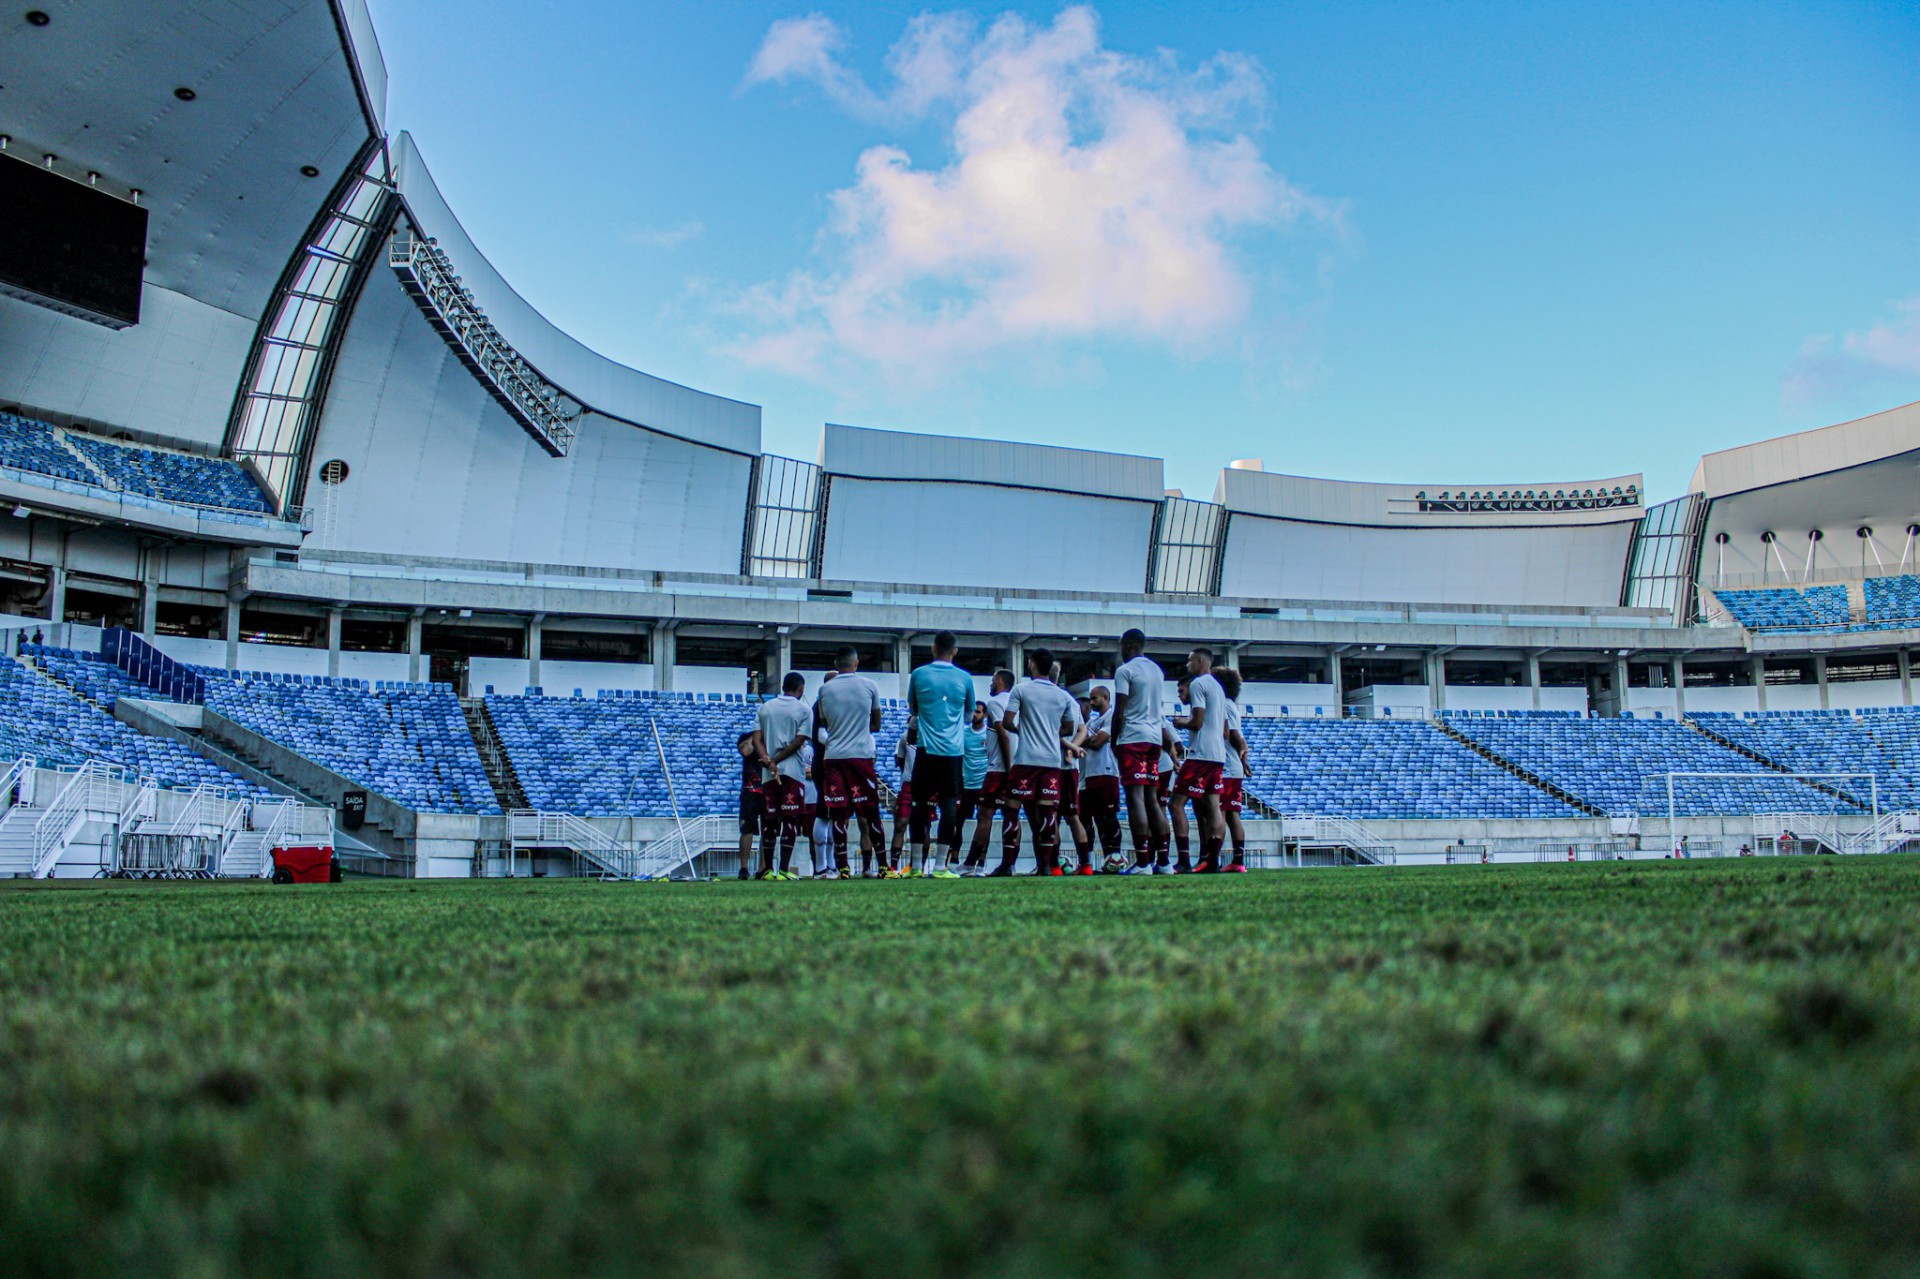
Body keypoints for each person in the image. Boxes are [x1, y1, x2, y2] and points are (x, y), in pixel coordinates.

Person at [995, 649, 1083, 876]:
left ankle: (1007, 864)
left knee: (1012, 809)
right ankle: (1046, 864)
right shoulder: (1062, 696)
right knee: (1047, 813)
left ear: (1032, 664)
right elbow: (1069, 728)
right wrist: (1051, 733)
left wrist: (1022, 730)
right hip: (1052, 762)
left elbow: (1006, 722)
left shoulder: (1021, 690)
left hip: (1026, 759)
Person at [906, 631, 973, 878]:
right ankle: (940, 867)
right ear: (954, 651)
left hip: (926, 749)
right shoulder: (965, 678)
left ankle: (914, 867)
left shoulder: (918, 674)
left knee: (918, 806)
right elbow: (968, 715)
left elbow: (913, 709)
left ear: (933, 648)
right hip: (953, 751)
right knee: (949, 807)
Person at [814, 647, 884, 881]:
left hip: (833, 757)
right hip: (859, 756)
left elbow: (824, 722)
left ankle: (842, 868)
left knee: (838, 814)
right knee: (871, 812)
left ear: (836, 662)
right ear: (856, 663)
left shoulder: (824, 689)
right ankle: (884, 867)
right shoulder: (869, 685)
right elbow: (876, 725)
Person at [1109, 628, 1171, 873]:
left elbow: (1120, 710)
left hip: (1132, 738)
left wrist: (1114, 741)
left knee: (1135, 799)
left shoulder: (1125, 671)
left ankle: (1143, 861)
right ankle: (1164, 862)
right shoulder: (1157, 670)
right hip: (1154, 739)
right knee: (1152, 800)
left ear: (1127, 646)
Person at [1173, 648, 1230, 874]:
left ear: (1199, 661)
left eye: (1189, 661)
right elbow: (1225, 730)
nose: (1187, 666)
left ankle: (1184, 860)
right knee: (1213, 807)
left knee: (1175, 804)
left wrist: (1181, 722)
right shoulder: (1218, 687)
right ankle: (1212, 859)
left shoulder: (1198, 684)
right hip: (1218, 755)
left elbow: (1196, 722)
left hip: (1201, 753)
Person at [751, 672, 812, 879]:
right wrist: (776, 761)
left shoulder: (765, 708)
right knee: (789, 820)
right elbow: (799, 741)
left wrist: (768, 760)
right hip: (792, 771)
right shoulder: (804, 710)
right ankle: (784, 870)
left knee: (769, 821)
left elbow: (756, 740)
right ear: (800, 689)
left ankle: (768, 870)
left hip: (769, 773)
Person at [973, 669, 1020, 873]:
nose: (990, 684)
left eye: (992, 681)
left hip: (999, 768)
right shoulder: (1018, 701)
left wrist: (1008, 768)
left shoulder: (995, 703)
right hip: (1020, 764)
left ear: (999, 681)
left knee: (985, 815)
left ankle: (970, 862)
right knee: (1012, 815)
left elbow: (1003, 734)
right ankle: (1009, 864)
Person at [1079, 686, 1125, 869]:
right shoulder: (1092, 723)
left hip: (1107, 772)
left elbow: (1097, 742)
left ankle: (1113, 856)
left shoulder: (1112, 717)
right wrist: (1090, 739)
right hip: (1089, 774)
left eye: (1094, 698)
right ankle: (1088, 862)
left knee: (1108, 817)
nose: (1091, 702)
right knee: (1090, 819)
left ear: (1106, 697)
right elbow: (1084, 741)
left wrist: (1089, 740)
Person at [1214, 667, 1252, 873]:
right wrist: (1244, 757)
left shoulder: (1225, 706)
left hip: (1227, 766)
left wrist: (1242, 751)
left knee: (1219, 812)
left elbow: (1233, 734)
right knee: (1232, 815)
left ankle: (1213, 858)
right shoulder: (1232, 706)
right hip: (1234, 766)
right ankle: (1238, 860)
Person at [949, 700, 992, 875]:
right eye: (973, 711)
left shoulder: (989, 735)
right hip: (965, 785)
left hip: (983, 784)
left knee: (984, 822)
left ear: (985, 715)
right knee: (957, 822)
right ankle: (954, 861)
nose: (975, 715)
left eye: (979, 712)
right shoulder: (964, 733)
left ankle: (981, 864)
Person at [734, 731, 763, 880]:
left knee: (767, 830)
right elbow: (745, 750)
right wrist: (755, 736)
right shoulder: (749, 737)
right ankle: (744, 867)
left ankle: (763, 868)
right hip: (750, 790)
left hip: (766, 788)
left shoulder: (769, 737)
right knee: (747, 830)